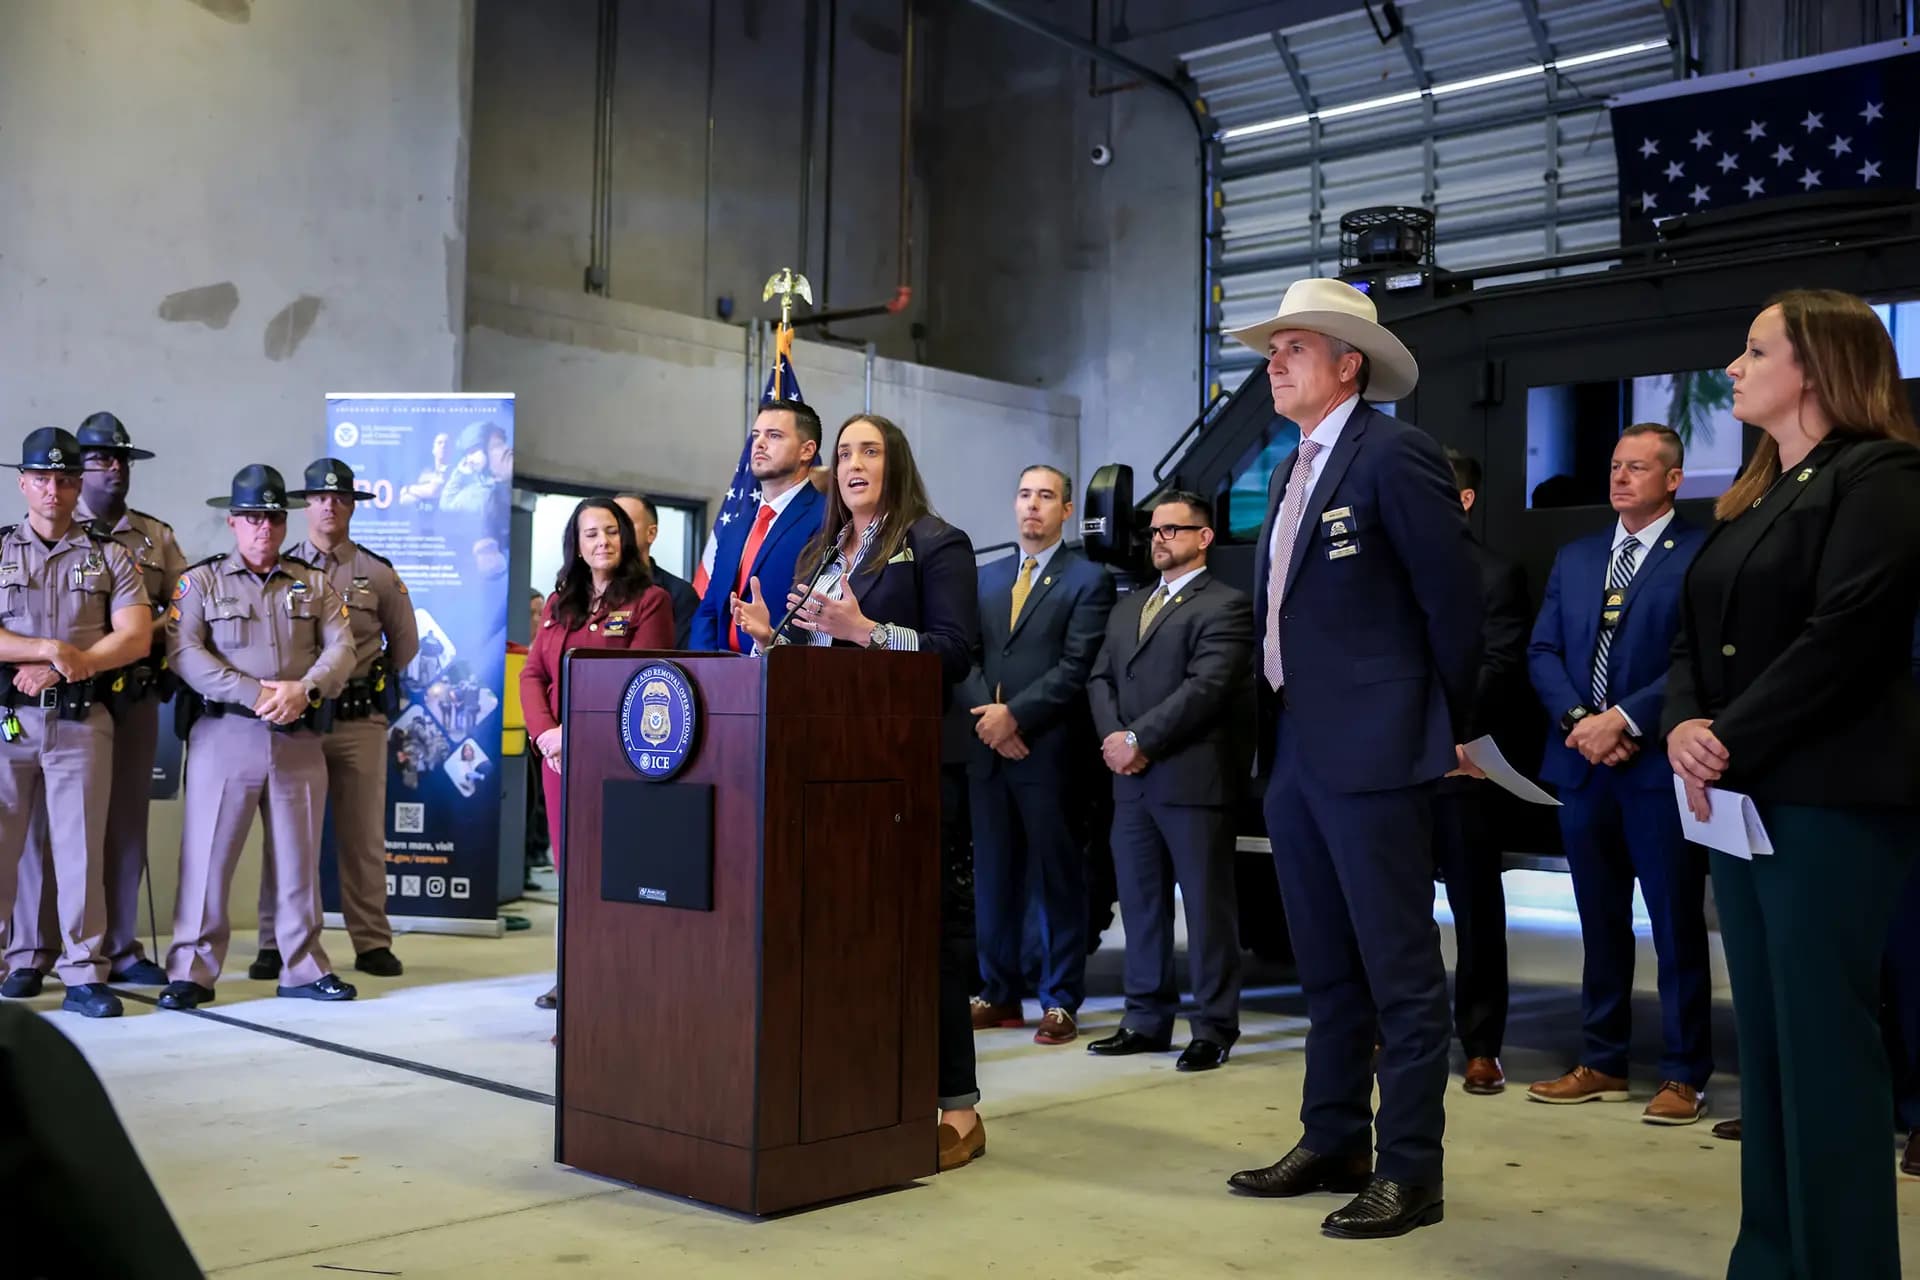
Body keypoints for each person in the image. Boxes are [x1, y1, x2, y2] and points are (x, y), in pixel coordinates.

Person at [1665, 288, 1920, 1278]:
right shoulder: (1758, 490)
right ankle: (1770, 1257)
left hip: (1830, 795)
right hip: (1748, 796)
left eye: (1754, 349)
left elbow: (1847, 637)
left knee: (1825, 1046)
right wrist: (1686, 719)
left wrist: (1724, 735)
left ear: (1814, 365)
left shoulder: (1883, 475)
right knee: (1769, 1048)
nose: (1732, 366)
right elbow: (1692, 629)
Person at [1225, 278, 1482, 1241]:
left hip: (1375, 750)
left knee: (1400, 973)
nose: (1273, 361)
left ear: (1349, 365)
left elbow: (1450, 606)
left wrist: (1442, 722)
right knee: (1324, 965)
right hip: (1296, 748)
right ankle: (1333, 1138)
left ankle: (1412, 1168)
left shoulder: (1394, 454)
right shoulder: (1294, 467)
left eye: (1293, 347)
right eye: (1272, 348)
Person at [730, 413, 983, 1172]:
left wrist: (866, 629)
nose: (852, 463)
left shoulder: (936, 543)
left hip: (911, 771)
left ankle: (960, 1107)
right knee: (849, 939)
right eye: (843, 453)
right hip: (833, 774)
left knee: (928, 940)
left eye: (868, 450)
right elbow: (820, 655)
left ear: (895, 463)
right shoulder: (820, 550)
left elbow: (955, 653)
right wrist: (776, 641)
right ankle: (868, 1088)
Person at [1526, 424, 1713, 1125]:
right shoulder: (1576, 557)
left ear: (1672, 480)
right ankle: (1602, 1060)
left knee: (1673, 923)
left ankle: (1683, 1072)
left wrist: (1625, 720)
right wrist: (1581, 719)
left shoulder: (1699, 554)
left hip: (1657, 767)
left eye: (1638, 468)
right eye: (1615, 466)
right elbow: (1542, 650)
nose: (1620, 478)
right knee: (1598, 923)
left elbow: (1697, 661)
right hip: (1583, 767)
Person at [159, 464, 360, 1010]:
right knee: (207, 859)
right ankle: (192, 972)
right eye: (252, 517)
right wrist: (253, 692)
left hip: (297, 736)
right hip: (226, 734)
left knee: (299, 860)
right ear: (233, 521)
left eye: (272, 517)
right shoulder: (198, 583)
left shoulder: (313, 583)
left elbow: (343, 648)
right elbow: (184, 652)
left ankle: (302, 966)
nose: (263, 528)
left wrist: (307, 690)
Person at [4, 412, 185, 995]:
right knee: (10, 841)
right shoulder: (2, 549)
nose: (53, 489)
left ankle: (88, 969)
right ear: (23, 482)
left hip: (90, 712)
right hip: (12, 717)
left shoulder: (120, 551)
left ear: (75, 486)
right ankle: (22, 957)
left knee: (86, 841)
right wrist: (51, 650)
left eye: (64, 480)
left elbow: (140, 631)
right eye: (42, 478)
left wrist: (76, 662)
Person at [1085, 491, 1254, 1071]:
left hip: (1193, 780)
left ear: (1203, 538)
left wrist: (1139, 740)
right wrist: (1115, 740)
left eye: (1173, 531)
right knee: (1141, 904)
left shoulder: (1227, 605)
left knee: (1208, 910)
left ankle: (1212, 1027)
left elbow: (1206, 689)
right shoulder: (1128, 606)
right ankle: (1145, 1019)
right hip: (1130, 783)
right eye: (1155, 531)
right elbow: (1101, 679)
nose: (1160, 539)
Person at [249, 459, 420, 983]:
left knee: (363, 836)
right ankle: (275, 943)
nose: (330, 506)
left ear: (351, 505)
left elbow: (406, 645)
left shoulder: (377, 573)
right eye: (320, 498)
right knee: (286, 837)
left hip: (356, 721)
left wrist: (363, 680)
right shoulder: (279, 567)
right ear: (305, 504)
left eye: (340, 498)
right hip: (297, 722)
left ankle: (371, 942)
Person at [967, 465, 1115, 1045]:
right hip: (989, 749)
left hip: (1048, 750)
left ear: (1067, 510)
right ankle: (998, 992)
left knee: (1056, 877)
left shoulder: (1087, 579)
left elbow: (1077, 667)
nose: (1033, 505)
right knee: (994, 875)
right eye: (1025, 494)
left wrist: (1016, 717)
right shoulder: (986, 577)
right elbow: (968, 657)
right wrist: (989, 718)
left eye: (1046, 496)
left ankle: (1060, 1000)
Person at [520, 499, 673, 1013]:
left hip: (615, 761)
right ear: (577, 544)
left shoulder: (649, 601)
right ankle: (573, 975)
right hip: (560, 762)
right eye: (590, 534)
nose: (602, 542)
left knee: (615, 873)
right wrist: (545, 735)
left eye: (611, 531)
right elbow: (533, 675)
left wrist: (575, 733)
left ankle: (617, 978)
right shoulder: (560, 601)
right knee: (571, 874)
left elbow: (645, 681)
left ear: (626, 539)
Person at [1437, 449, 1528, 1095]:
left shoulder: (1497, 574)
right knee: (1395, 906)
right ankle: (1398, 1024)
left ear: (1464, 500)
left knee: (1475, 906)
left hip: (1465, 763)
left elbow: (1498, 664)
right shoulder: (1391, 568)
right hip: (1393, 761)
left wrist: (1452, 738)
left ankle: (1481, 1045)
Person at [688, 399, 827, 653]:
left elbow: (812, 616)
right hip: (719, 673)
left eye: (774, 435)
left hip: (777, 671)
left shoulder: (825, 519)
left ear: (807, 450)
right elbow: (709, 609)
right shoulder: (736, 527)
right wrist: (705, 666)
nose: (759, 443)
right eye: (756, 435)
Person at [614, 493, 698, 648]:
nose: (616, 532)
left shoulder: (678, 593)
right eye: (611, 526)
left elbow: (681, 662)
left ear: (651, 533)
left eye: (625, 523)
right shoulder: (591, 589)